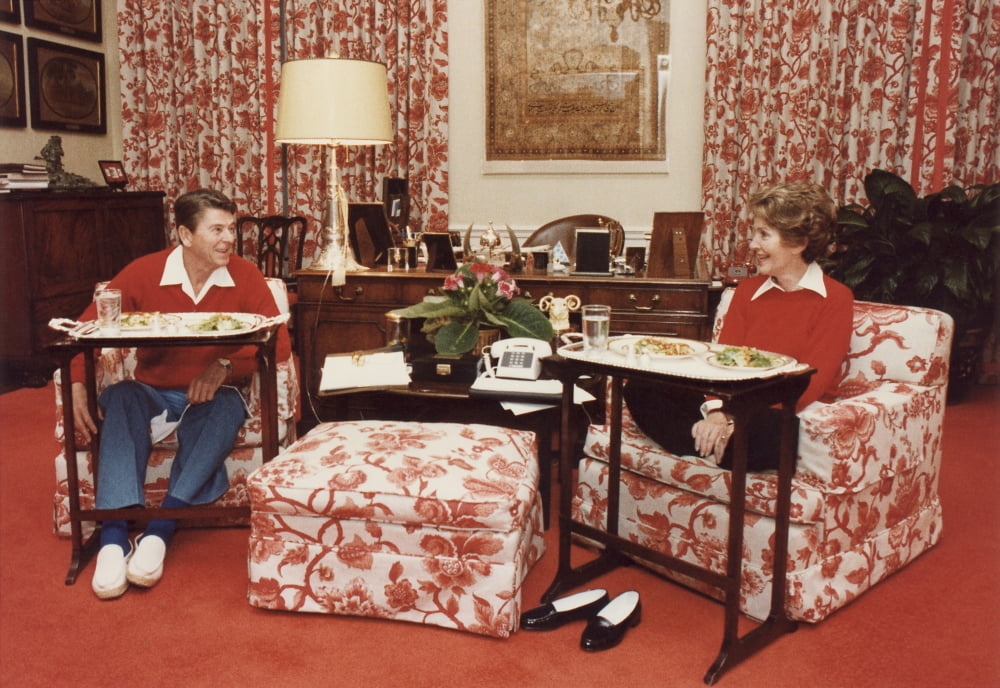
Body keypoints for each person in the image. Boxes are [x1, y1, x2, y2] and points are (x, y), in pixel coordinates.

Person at [70, 188, 292, 600]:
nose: (228, 239)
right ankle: (114, 537)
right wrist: (78, 384)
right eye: (217, 230)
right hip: (152, 391)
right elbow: (86, 328)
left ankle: (160, 530)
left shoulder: (245, 275)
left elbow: (278, 344)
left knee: (227, 407)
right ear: (186, 235)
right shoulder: (143, 272)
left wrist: (225, 365)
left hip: (213, 396)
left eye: (231, 228)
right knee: (120, 396)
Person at [624, 181, 854, 471]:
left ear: (798, 243)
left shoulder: (836, 299)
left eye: (763, 235)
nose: (753, 244)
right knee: (641, 388)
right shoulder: (747, 291)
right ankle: (713, 447)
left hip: (784, 409)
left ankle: (706, 446)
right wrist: (719, 412)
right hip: (733, 403)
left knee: (768, 428)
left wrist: (733, 417)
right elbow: (720, 364)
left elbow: (808, 385)